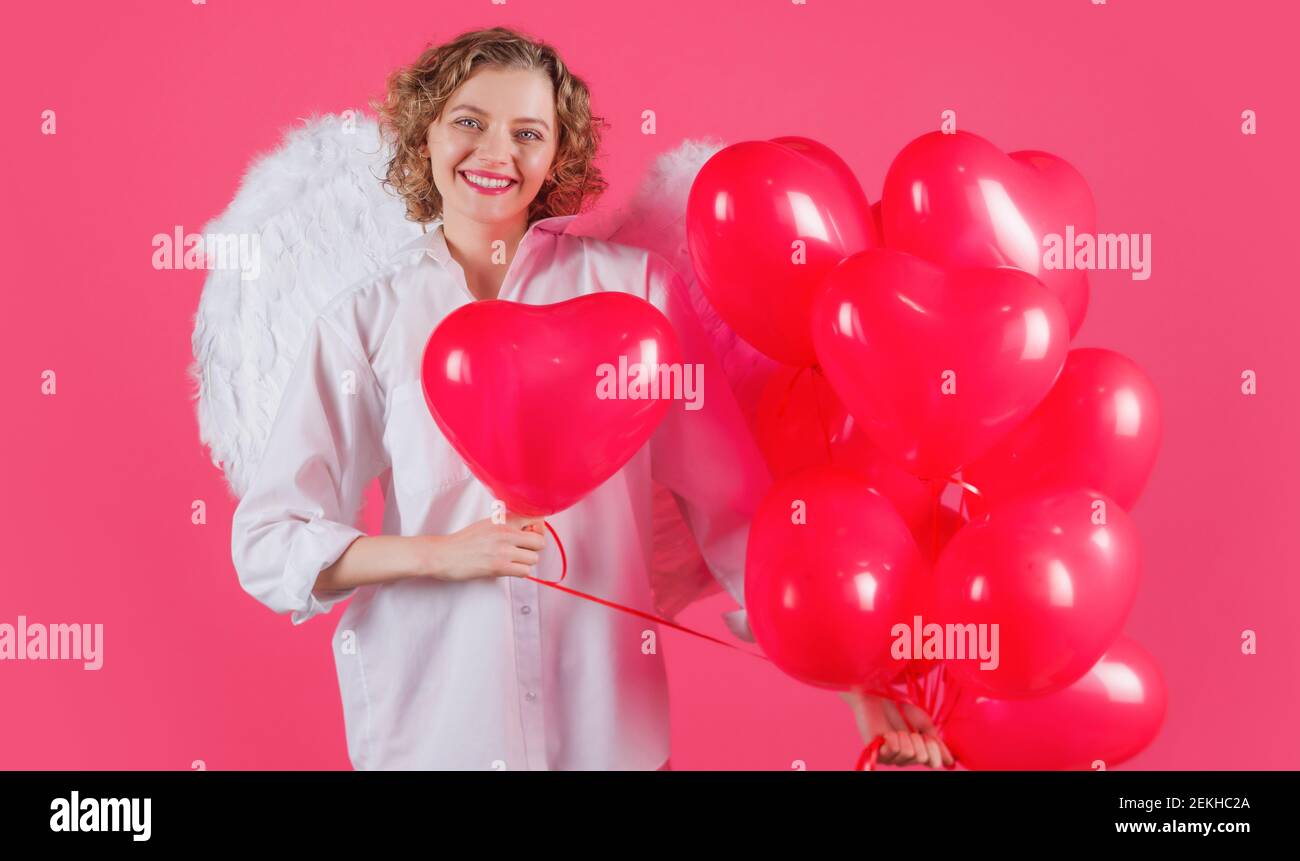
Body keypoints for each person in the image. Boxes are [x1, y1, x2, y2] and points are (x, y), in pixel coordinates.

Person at [230, 25, 950, 770]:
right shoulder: (364, 320)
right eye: (468, 122)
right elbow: (271, 538)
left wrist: (856, 684)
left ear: (557, 155)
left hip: (611, 738)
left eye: (527, 132)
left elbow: (739, 520)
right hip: (432, 733)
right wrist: (441, 556)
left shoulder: (638, 294)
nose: (495, 152)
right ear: (424, 136)